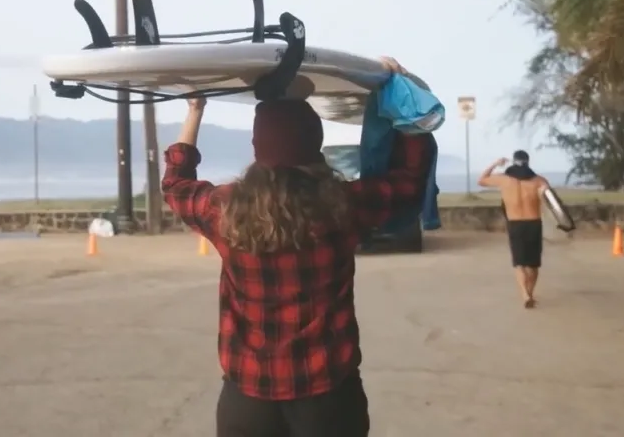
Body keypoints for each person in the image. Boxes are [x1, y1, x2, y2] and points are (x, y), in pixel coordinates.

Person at [160, 57, 432, 437]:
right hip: (328, 397)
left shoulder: (223, 208)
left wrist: (195, 110)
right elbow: (409, 182)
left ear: (257, 146)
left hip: (248, 397)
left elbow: (175, 184)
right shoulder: (343, 204)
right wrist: (401, 94)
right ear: (315, 143)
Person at [477, 150, 549, 309]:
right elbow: (551, 201)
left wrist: (496, 163)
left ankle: (524, 294)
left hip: (515, 224)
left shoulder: (504, 180)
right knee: (533, 264)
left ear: (513, 162)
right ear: (528, 162)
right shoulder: (539, 181)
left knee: (520, 263)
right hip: (534, 223)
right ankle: (530, 292)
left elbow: (481, 180)